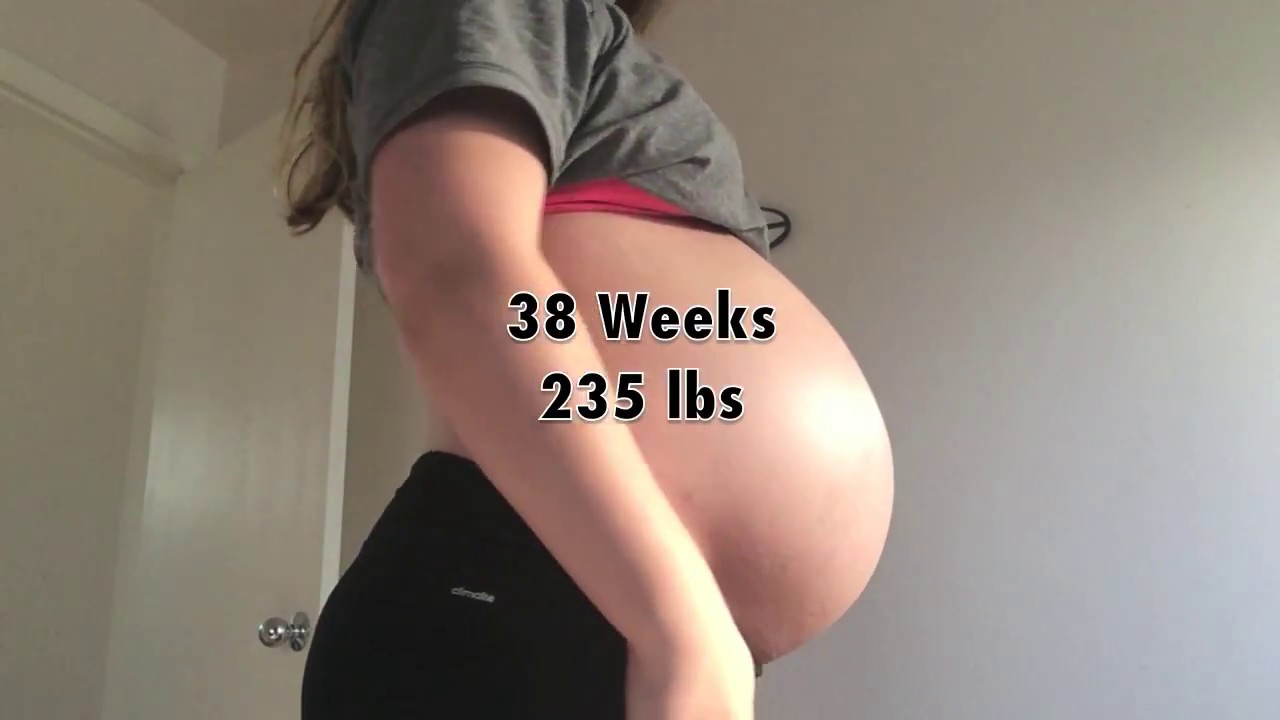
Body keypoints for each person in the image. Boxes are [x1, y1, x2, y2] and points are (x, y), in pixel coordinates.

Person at [279, 0, 894, 717]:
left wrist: (690, 634)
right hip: (541, 604)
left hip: (593, 613)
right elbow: (452, 264)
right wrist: (684, 632)